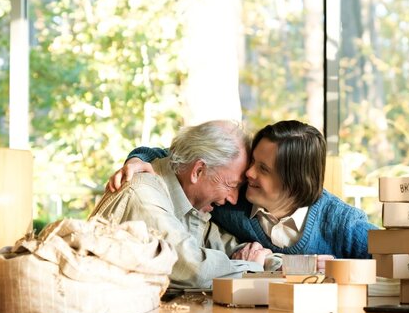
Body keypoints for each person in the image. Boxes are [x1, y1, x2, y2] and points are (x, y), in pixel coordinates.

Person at [107, 120, 376, 267]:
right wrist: (137, 159)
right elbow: (178, 162)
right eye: (252, 163)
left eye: (263, 169)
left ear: (294, 184)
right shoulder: (229, 199)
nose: (248, 175)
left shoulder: (340, 221)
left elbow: (398, 252)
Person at [91, 119, 273, 289]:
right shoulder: (144, 196)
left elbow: (228, 248)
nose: (233, 199)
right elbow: (195, 269)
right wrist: (251, 267)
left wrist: (263, 259)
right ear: (198, 170)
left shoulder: (188, 204)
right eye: (231, 185)